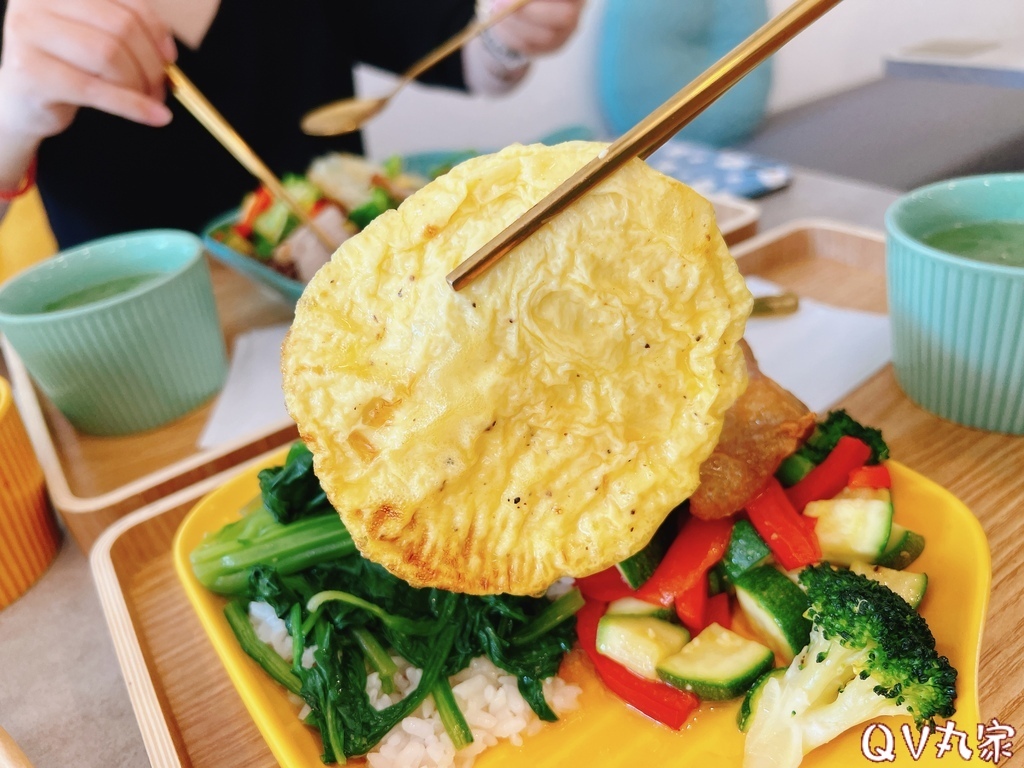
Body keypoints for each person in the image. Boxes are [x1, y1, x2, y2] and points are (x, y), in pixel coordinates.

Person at [0, 0, 584, 248]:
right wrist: (12, 109)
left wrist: (514, 31)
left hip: (349, 302)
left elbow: (461, 46)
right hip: (134, 362)